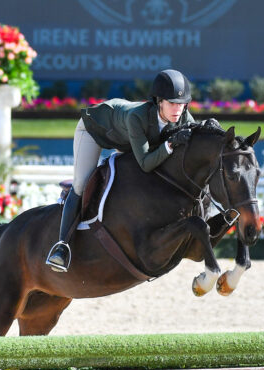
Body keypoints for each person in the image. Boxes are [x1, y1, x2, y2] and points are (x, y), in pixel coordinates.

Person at [45, 68, 196, 272]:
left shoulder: (183, 117)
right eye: (172, 103)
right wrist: (169, 145)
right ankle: (62, 246)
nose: (178, 109)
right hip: (95, 129)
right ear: (159, 101)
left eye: (182, 103)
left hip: (127, 139)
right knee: (81, 183)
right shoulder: (138, 117)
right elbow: (146, 163)